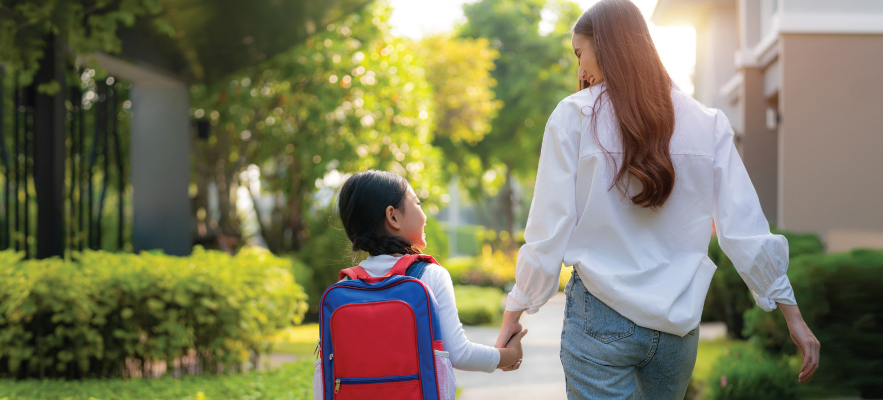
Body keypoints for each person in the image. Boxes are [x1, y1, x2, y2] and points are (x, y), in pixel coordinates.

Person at [492, 0, 821, 398]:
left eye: (581, 54)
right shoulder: (707, 122)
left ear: (608, 45)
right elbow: (745, 229)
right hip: (676, 329)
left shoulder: (573, 116)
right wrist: (794, 318)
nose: (580, 70)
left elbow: (549, 228)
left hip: (600, 315)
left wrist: (516, 310)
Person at [312, 170, 528, 399]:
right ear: (393, 217)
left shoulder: (345, 285)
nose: (424, 216)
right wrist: (508, 355)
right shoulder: (429, 275)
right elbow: (459, 353)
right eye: (417, 203)